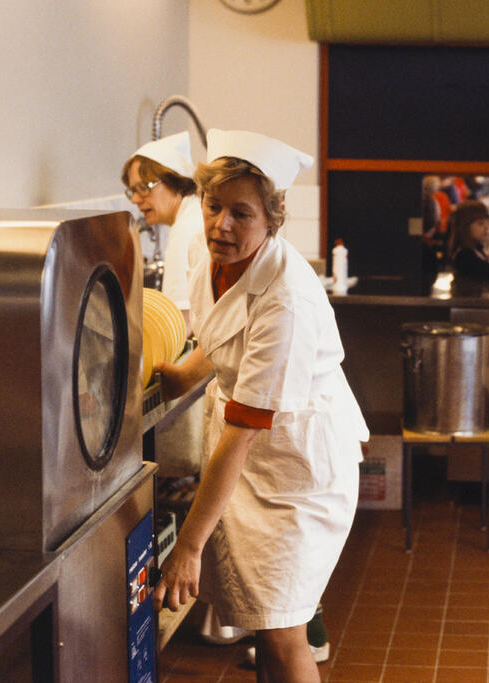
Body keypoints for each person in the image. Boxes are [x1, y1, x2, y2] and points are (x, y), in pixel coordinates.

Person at [152, 129, 369, 681]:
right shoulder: (217, 256)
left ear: (272, 219)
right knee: (268, 623)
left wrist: (189, 547)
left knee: (284, 631)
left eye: (241, 213)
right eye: (214, 205)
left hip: (296, 467)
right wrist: (179, 376)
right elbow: (221, 336)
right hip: (252, 462)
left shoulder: (286, 297)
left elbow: (243, 429)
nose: (222, 224)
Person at [122, 131, 203, 333]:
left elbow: (179, 324)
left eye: (143, 187)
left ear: (173, 180)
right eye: (133, 190)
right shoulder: (195, 213)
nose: (135, 200)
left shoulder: (185, 228)